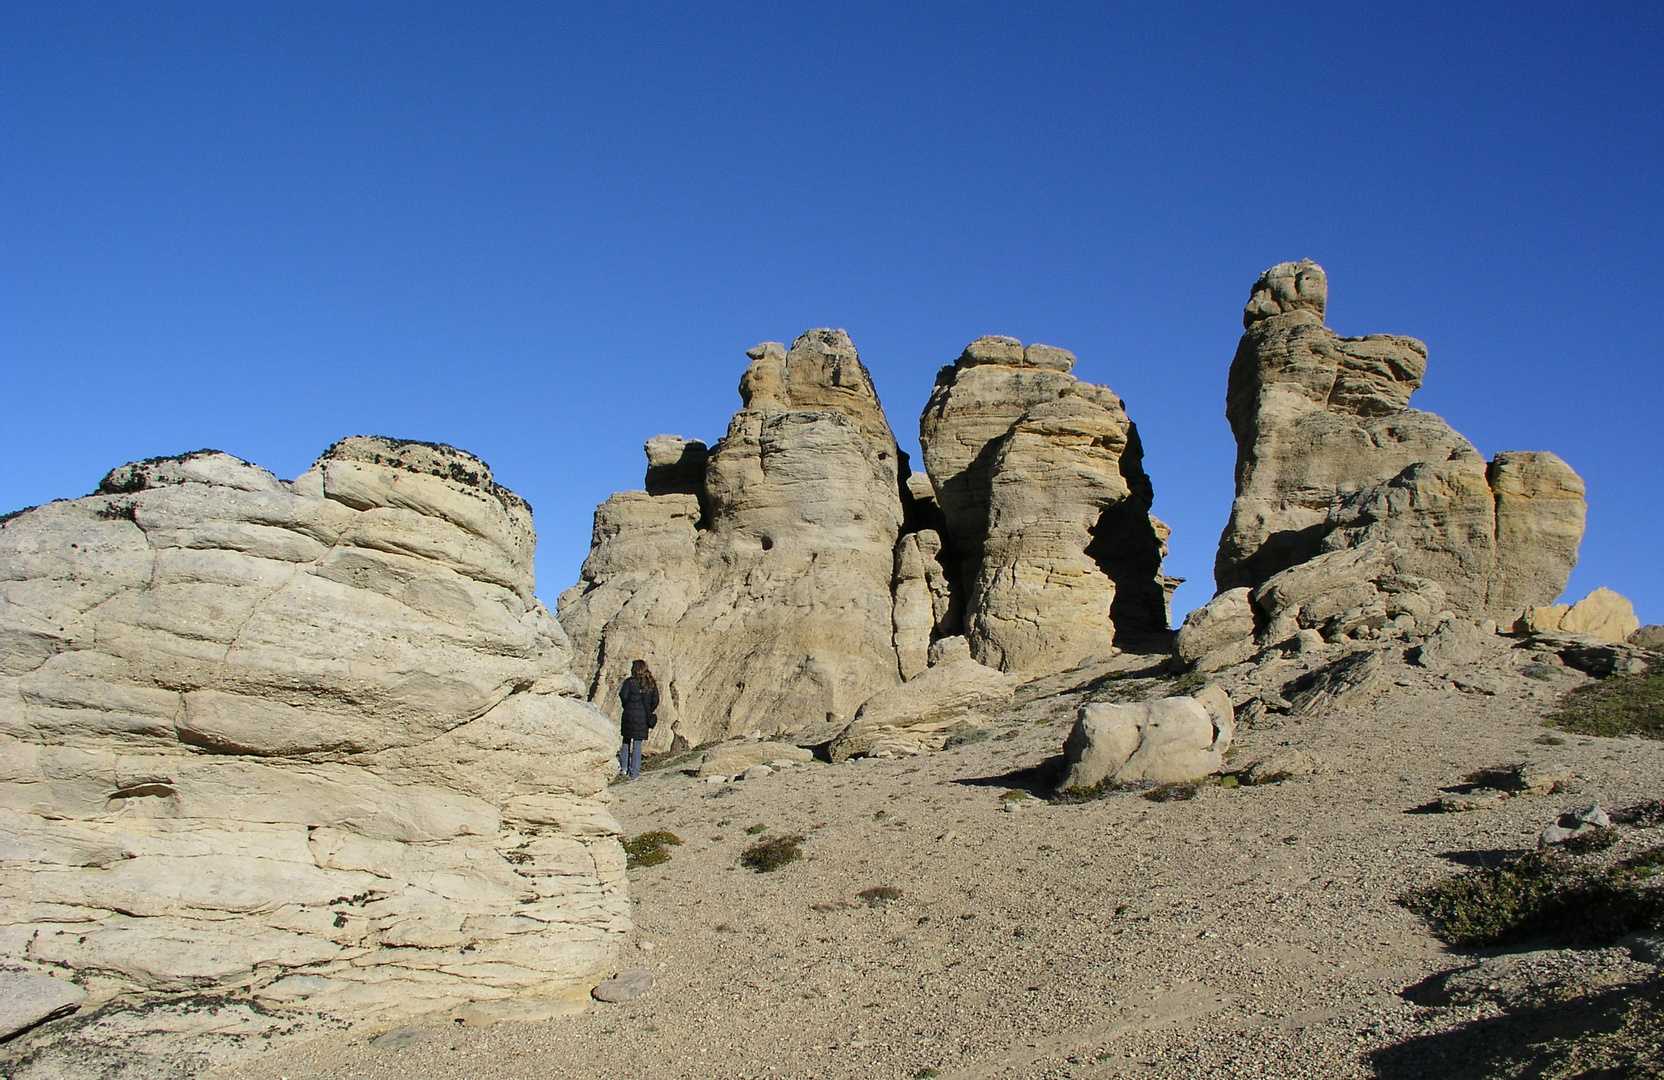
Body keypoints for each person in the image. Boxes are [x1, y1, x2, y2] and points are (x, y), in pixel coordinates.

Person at [616, 659, 659, 780]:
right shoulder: (650, 683)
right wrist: (648, 710)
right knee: (637, 743)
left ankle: (623, 768)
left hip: (629, 714)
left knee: (626, 741)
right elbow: (656, 700)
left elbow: (623, 695)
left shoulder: (629, 682)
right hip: (643, 717)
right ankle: (634, 772)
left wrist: (628, 706)